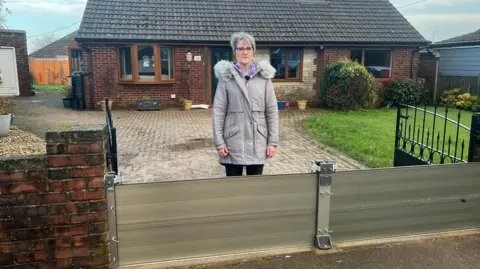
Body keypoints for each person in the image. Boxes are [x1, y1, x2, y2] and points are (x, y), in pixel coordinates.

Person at [212, 32, 279, 177]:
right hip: (232, 141)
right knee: (233, 189)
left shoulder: (264, 78)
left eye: (248, 48)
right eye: (240, 48)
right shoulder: (226, 77)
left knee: (254, 189)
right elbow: (218, 111)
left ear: (253, 51)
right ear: (235, 51)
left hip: (258, 140)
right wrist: (219, 142)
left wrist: (272, 142)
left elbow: (272, 111)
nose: (244, 52)